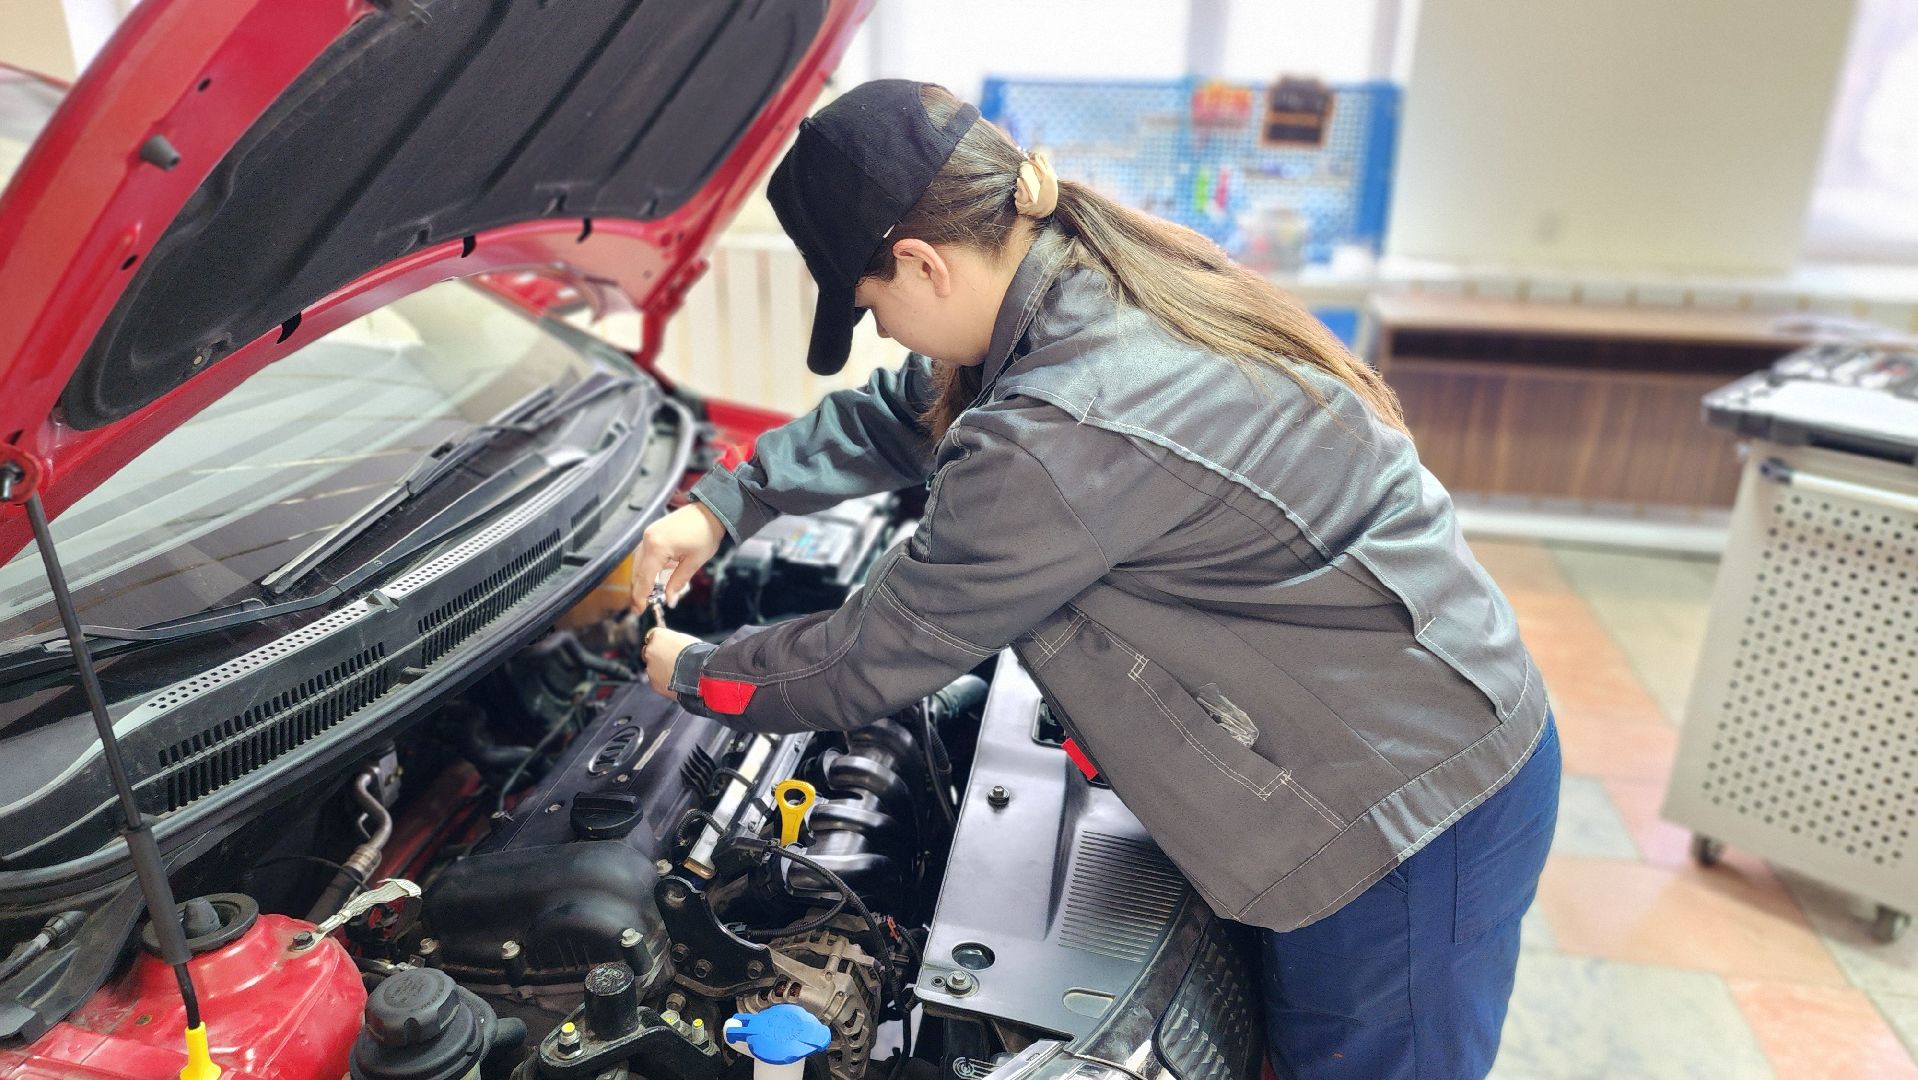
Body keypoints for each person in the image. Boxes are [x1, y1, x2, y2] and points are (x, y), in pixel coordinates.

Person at [634, 79, 1558, 1080]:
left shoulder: (1063, 423)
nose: (887, 334)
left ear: (918, 263)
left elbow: (873, 655)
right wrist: (725, 506)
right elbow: (902, 413)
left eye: (872, 308)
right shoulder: (1079, 278)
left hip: (1401, 813)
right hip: (1398, 726)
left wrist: (693, 672)